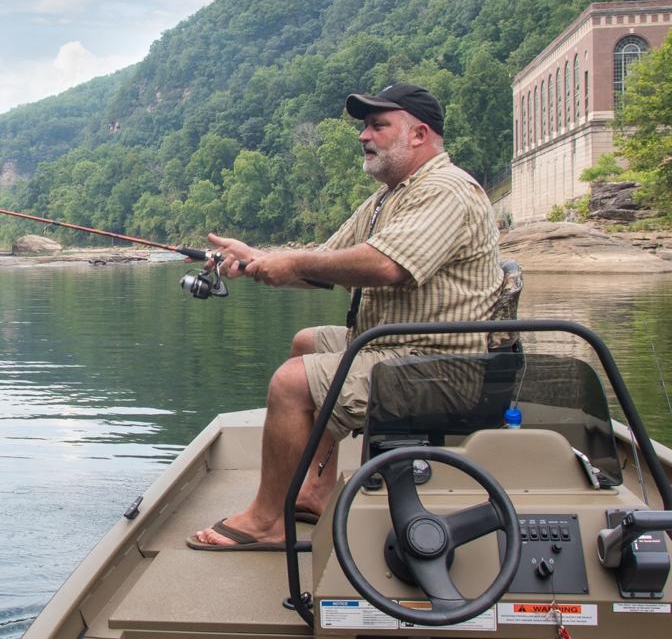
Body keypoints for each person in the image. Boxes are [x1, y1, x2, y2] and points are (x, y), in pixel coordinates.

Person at [188, 83, 501, 551]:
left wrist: (292, 263)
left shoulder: (446, 190)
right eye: (364, 127)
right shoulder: (390, 197)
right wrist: (258, 260)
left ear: (418, 134)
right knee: (307, 343)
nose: (363, 136)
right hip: (400, 349)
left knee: (291, 382)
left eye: (378, 125)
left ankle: (267, 521)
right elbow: (326, 263)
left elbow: (385, 266)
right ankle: (316, 490)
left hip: (443, 367)